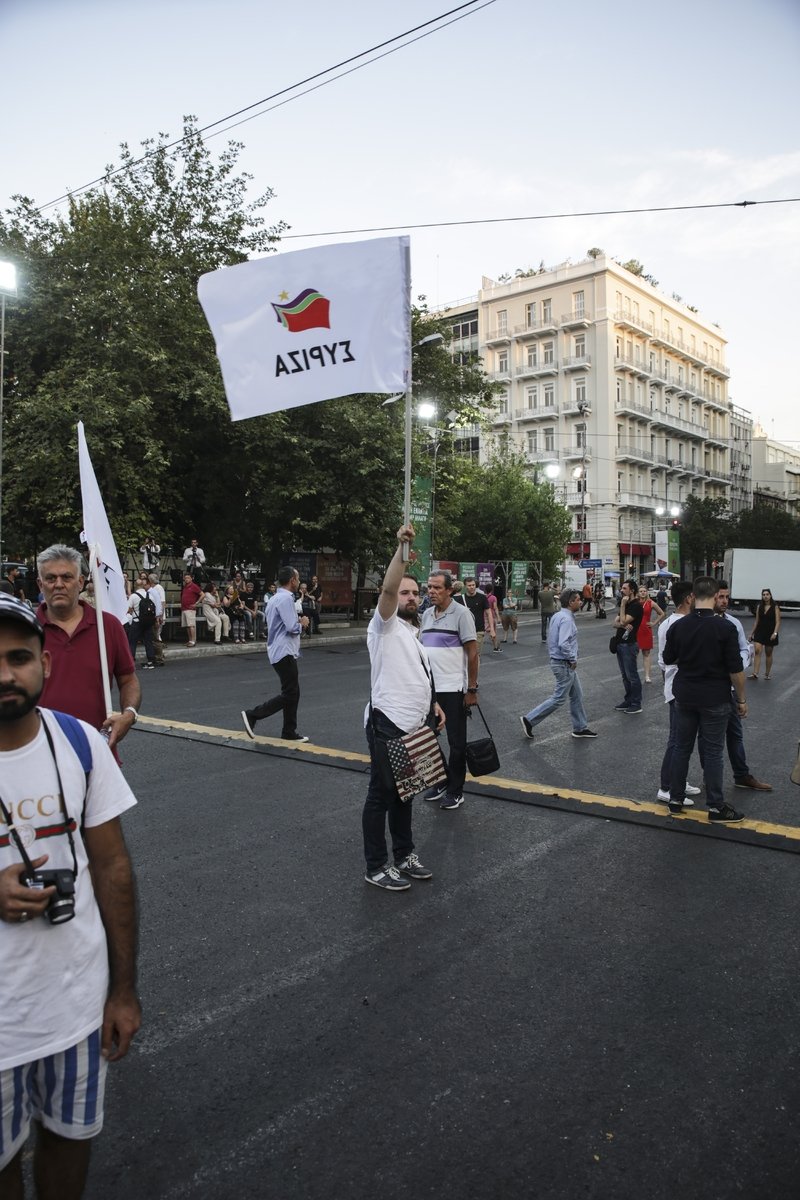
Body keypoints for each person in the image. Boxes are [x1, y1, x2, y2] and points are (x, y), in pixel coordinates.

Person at [0, 595, 140, 1198]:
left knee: (68, 1143)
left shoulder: (81, 744)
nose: (5, 674)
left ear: (45, 664)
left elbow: (113, 869)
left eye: (18, 658)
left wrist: (123, 992)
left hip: (76, 1011)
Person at [362, 526, 444, 892]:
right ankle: (376, 866)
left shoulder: (412, 632)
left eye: (415, 592)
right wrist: (401, 550)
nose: (410, 597)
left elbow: (416, 675)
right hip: (388, 724)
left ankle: (404, 855)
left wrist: (433, 705)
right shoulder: (385, 626)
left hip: (413, 726)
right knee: (380, 796)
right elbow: (387, 590)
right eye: (404, 592)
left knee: (405, 792)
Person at [35, 546, 140, 756]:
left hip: (97, 752)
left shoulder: (108, 626)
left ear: (81, 582)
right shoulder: (25, 629)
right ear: (40, 584)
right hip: (40, 755)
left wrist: (129, 715)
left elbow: (128, 679)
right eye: (50, 578)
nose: (58, 584)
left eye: (67, 577)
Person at [663, 576, 748, 822]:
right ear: (713, 596)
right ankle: (715, 806)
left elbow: (668, 658)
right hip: (715, 697)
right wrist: (741, 699)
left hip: (684, 695)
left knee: (681, 747)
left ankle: (675, 799)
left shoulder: (678, 626)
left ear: (694, 596)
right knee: (712, 752)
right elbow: (736, 670)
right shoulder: (725, 628)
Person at [419, 570, 479, 810]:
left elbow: (472, 653)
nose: (431, 592)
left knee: (456, 742)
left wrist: (472, 688)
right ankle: (443, 780)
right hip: (429, 691)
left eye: (437, 588)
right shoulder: (426, 615)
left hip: (453, 689)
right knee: (427, 738)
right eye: (429, 587)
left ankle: (456, 790)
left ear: (449, 590)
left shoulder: (462, 614)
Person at [714, 582, 772, 792]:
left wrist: (737, 662)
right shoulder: (702, 622)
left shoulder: (733, 623)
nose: (725, 601)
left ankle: (741, 775)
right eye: (721, 597)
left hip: (729, 690)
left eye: (727, 597)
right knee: (710, 739)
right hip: (710, 690)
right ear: (712, 597)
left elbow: (744, 650)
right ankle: (710, 779)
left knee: (735, 734)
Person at [241, 567, 309, 742]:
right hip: (284, 650)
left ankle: (289, 731)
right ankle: (253, 714)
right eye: (298, 578)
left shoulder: (274, 598)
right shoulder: (286, 599)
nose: (299, 582)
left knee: (293, 692)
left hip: (278, 649)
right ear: (292, 580)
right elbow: (292, 627)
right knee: (290, 693)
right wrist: (303, 623)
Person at [520, 588, 597, 741]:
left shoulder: (558, 615)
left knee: (577, 695)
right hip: (564, 664)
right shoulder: (566, 619)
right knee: (559, 698)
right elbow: (563, 643)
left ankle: (580, 728)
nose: (581, 602)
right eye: (578, 599)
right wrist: (572, 659)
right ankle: (529, 719)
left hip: (560, 662)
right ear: (570, 602)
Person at [656, 580, 701, 808]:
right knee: (677, 740)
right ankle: (667, 787)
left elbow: (662, 662)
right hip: (679, 688)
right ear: (689, 598)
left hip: (675, 685)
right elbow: (669, 660)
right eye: (696, 596)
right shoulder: (680, 624)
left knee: (682, 740)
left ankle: (678, 781)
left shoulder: (667, 622)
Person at [614, 580, 644, 714]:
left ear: (632, 590)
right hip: (620, 643)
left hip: (629, 644)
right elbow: (614, 623)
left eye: (624, 588)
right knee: (625, 676)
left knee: (632, 675)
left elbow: (622, 621)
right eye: (621, 588)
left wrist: (622, 606)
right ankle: (629, 700)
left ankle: (636, 703)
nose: (621, 590)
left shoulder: (636, 606)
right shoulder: (627, 605)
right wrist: (623, 623)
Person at [749, 588, 781, 680]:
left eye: (767, 594)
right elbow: (756, 621)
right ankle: (755, 673)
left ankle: (767, 674)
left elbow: (778, 621)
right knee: (757, 650)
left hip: (770, 632)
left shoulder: (775, 607)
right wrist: (751, 633)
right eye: (763, 595)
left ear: (770, 595)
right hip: (760, 631)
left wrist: (775, 633)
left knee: (768, 653)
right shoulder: (759, 606)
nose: (765, 596)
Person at [636, 584, 665, 684]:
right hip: (636, 629)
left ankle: (647, 676)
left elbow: (662, 613)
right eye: (641, 591)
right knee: (634, 653)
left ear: (647, 592)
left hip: (646, 629)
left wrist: (654, 623)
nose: (643, 593)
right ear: (638, 593)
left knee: (646, 653)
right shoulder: (635, 602)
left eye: (644, 591)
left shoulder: (651, 603)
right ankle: (634, 675)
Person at [126, 579, 156, 670]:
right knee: (148, 641)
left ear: (135, 586)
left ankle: (131, 662)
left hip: (137, 621)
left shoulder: (133, 596)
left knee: (132, 642)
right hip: (148, 622)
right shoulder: (150, 595)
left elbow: (128, 609)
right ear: (143, 586)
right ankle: (150, 662)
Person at [463, 577, 489, 654]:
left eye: (473, 585)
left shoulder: (482, 597)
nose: (472, 587)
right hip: (465, 631)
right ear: (465, 586)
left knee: (475, 655)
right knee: (465, 655)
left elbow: (489, 612)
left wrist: (492, 629)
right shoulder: (461, 599)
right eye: (469, 585)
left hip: (478, 631)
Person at [147, 572, 167, 665]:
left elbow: (162, 602)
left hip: (158, 615)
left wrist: (161, 616)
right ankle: (159, 655)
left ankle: (160, 656)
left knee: (157, 636)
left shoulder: (158, 588)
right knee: (155, 636)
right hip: (155, 615)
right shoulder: (153, 588)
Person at [180, 573, 203, 647]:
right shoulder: (185, 586)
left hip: (190, 608)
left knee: (191, 625)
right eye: (185, 578)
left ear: (191, 578)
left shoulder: (194, 586)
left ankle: (193, 641)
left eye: (188, 578)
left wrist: (196, 603)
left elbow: (202, 594)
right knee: (187, 625)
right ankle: (190, 640)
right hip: (184, 608)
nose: (186, 579)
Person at [483, 584, 502, 652]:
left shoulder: (483, 597)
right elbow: (495, 607)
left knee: (482, 631)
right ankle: (496, 647)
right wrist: (498, 617)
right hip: (491, 616)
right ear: (491, 590)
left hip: (484, 616)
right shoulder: (493, 597)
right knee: (493, 631)